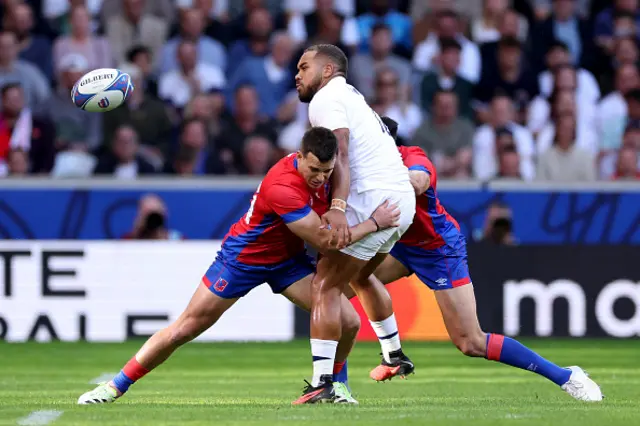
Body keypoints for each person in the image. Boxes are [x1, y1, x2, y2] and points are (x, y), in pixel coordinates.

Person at [76, 127, 401, 405]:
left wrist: (340, 204)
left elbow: (341, 172)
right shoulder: (282, 186)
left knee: (348, 320)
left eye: (326, 172)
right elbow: (327, 240)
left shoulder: (330, 171)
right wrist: (374, 222)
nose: (319, 179)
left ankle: (334, 386)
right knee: (185, 328)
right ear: (299, 156)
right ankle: (114, 386)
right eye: (313, 170)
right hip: (243, 259)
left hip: (287, 263)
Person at [347, 116, 603, 402]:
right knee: (340, 284)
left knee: (471, 342)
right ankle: (363, 371)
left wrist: (378, 178)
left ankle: (567, 377)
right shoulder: (359, 168)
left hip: (437, 248)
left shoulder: (413, 158)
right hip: (398, 244)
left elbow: (418, 182)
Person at [293, 44, 417, 404]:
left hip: (370, 198)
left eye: (304, 67)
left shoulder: (326, 98)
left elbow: (340, 152)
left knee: (325, 287)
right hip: (400, 201)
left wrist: (338, 205)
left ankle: (322, 383)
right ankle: (393, 353)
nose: (297, 75)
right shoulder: (352, 96)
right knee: (361, 276)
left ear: (328, 70)